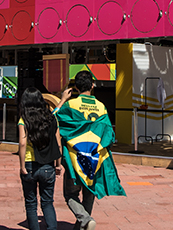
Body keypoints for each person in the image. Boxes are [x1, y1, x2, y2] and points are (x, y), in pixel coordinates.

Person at [56, 71, 115, 230]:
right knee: (89, 193)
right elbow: (109, 134)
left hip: (75, 158)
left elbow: (54, 119)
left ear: (75, 87)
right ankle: (85, 222)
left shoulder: (70, 105)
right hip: (94, 158)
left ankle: (85, 219)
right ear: (93, 85)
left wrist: (62, 100)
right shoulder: (101, 106)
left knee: (70, 195)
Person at [19, 87, 62, 230]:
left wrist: (22, 166)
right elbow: (58, 143)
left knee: (31, 203)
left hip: (30, 165)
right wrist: (58, 164)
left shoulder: (23, 120)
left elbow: (22, 143)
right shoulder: (51, 118)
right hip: (48, 165)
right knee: (48, 202)